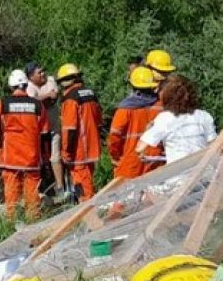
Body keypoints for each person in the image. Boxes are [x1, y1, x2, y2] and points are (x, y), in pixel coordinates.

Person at [0, 69, 50, 222]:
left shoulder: (4, 103)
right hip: (32, 157)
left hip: (10, 156)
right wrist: (46, 160)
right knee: (32, 194)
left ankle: (11, 223)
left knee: (11, 192)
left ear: (11, 86)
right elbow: (45, 134)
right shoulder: (38, 105)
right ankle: (33, 223)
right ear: (26, 85)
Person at [137, 75, 216, 163]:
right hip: (203, 171)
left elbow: (140, 148)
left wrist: (148, 130)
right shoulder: (204, 116)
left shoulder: (164, 118)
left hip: (178, 173)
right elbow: (213, 144)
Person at [56, 63, 103, 201]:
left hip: (78, 151)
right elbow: (99, 121)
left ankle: (90, 219)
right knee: (88, 182)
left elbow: (70, 129)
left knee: (83, 188)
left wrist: (67, 152)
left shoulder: (70, 99)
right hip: (92, 147)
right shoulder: (91, 94)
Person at [109, 67, 164, 180]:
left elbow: (115, 136)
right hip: (155, 160)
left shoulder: (125, 109)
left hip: (130, 161)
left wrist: (115, 157)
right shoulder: (160, 106)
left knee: (125, 195)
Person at [24, 61, 66, 199]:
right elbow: (33, 101)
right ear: (31, 77)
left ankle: (60, 187)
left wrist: (43, 98)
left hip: (53, 122)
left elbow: (54, 96)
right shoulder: (29, 86)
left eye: (43, 71)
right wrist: (46, 96)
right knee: (38, 157)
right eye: (39, 72)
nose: (43, 74)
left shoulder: (50, 80)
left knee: (56, 156)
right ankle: (41, 187)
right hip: (37, 127)